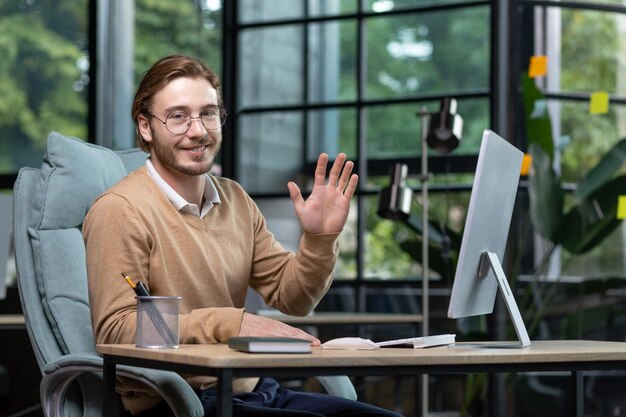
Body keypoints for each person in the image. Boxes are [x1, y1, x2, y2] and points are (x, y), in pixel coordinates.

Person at [83, 54, 403, 417]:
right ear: (145, 126)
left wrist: (319, 238)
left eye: (208, 113)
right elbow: (117, 331)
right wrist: (232, 322)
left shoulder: (234, 198)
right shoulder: (120, 209)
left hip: (249, 388)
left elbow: (293, 298)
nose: (198, 130)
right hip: (176, 403)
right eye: (177, 117)